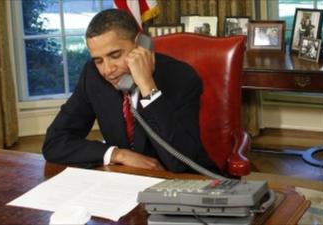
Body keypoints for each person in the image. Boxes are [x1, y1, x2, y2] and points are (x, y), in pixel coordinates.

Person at [42, 9, 219, 173]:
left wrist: (147, 87)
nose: (107, 70)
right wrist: (119, 155)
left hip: (180, 183)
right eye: (98, 60)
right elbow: (54, 143)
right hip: (127, 180)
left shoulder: (182, 77)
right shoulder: (92, 76)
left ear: (141, 44)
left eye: (115, 55)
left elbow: (181, 163)